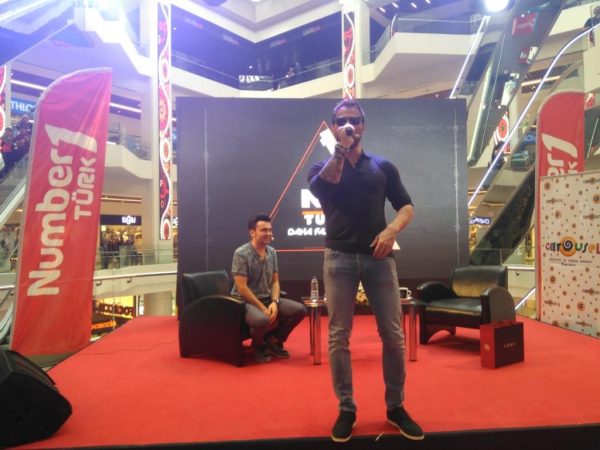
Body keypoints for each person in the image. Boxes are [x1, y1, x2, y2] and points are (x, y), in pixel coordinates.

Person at [307, 99, 423, 442]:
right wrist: (342, 150)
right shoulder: (320, 167)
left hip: (379, 258)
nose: (350, 126)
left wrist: (391, 231)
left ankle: (396, 407)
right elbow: (323, 187)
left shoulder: (383, 167)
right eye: (342, 121)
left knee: (394, 335)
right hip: (338, 258)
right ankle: (346, 409)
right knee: (338, 336)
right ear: (333, 127)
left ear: (364, 126)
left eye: (355, 121)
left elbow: (406, 206)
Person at [231, 214, 306, 363]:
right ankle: (257, 346)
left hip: (267, 298)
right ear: (252, 233)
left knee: (300, 310)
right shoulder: (241, 253)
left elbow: (275, 282)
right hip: (244, 301)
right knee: (261, 320)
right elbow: (242, 288)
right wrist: (262, 308)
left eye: (270, 230)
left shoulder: (271, 252)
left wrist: (274, 302)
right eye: (264, 230)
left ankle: (273, 341)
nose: (269, 233)